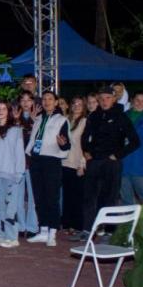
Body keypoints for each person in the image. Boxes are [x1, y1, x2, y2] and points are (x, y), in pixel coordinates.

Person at [79, 86, 140, 238]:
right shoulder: (94, 116)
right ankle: (88, 230)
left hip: (112, 163)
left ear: (114, 99)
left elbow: (135, 141)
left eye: (108, 98)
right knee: (89, 196)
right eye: (101, 98)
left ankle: (109, 231)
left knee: (110, 197)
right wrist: (86, 151)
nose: (104, 101)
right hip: (94, 161)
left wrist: (117, 155)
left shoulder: (121, 116)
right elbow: (84, 136)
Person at [25, 91, 70, 246]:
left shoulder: (62, 120)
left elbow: (66, 144)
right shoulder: (38, 119)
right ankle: (43, 230)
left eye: (50, 99)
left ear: (56, 102)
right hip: (36, 160)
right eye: (44, 99)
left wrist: (63, 144)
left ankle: (53, 232)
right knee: (39, 197)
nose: (47, 102)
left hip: (51, 160)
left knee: (52, 197)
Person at [0, 101, 26, 248]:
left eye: (4, 109)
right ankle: (2, 235)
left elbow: (19, 153)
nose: (1, 111)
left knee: (10, 207)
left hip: (10, 174)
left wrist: (19, 172)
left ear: (8, 112)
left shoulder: (15, 130)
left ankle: (12, 237)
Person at [60, 97, 88, 234]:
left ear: (84, 107)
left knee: (77, 196)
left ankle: (77, 225)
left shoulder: (85, 122)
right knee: (66, 195)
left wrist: (82, 164)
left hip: (77, 163)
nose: (76, 106)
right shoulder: (65, 120)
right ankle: (66, 224)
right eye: (74, 103)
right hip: (63, 162)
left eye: (80, 104)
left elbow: (85, 145)